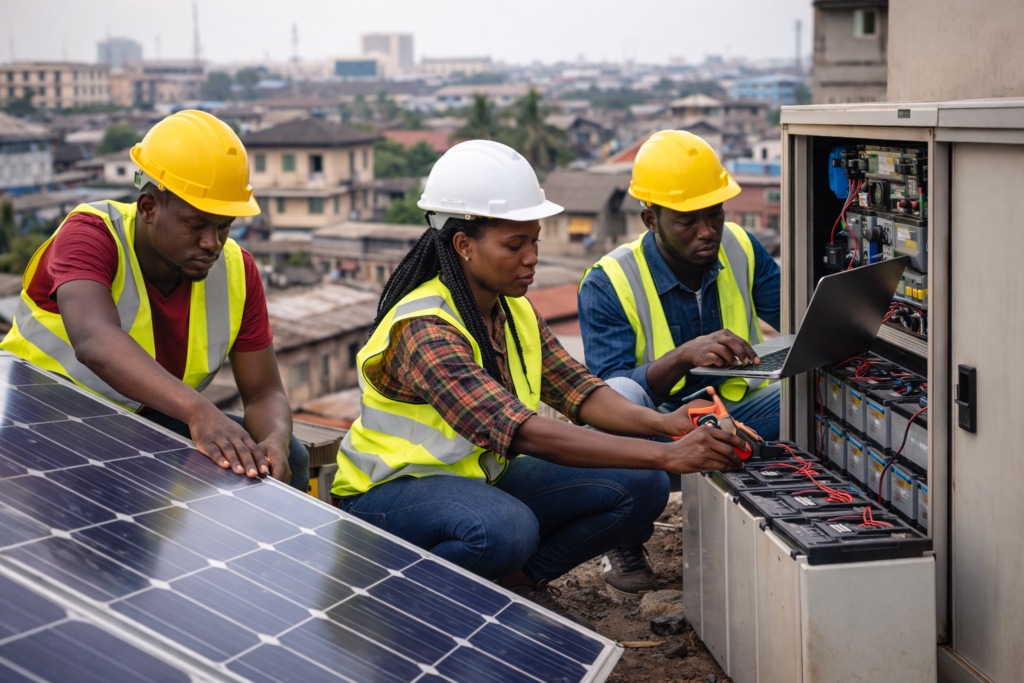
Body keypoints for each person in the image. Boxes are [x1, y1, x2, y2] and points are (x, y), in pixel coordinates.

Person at [330, 140, 746, 601]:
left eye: (534, 241)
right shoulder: (424, 329)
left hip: (476, 482)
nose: (531, 257)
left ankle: (517, 586)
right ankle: (400, 599)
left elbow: (580, 391)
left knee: (643, 485)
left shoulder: (513, 311)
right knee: (505, 529)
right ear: (464, 245)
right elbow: (521, 432)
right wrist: (668, 456)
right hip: (389, 497)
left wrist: (666, 426)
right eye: (515, 245)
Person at [2, 110, 309, 492]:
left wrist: (274, 441)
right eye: (196, 224)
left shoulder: (238, 272)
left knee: (291, 456)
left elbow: (264, 392)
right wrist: (198, 411)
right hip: (39, 417)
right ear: (148, 207)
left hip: (137, 427)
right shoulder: (91, 234)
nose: (212, 243)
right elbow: (93, 339)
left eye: (224, 226)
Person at [578, 130, 782, 441]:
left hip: (738, 412)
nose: (707, 231)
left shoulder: (740, 246)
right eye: (688, 222)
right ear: (651, 220)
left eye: (715, 214)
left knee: (817, 393)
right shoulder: (607, 283)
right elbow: (612, 395)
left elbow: (799, 318)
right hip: (657, 427)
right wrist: (683, 356)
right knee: (619, 398)